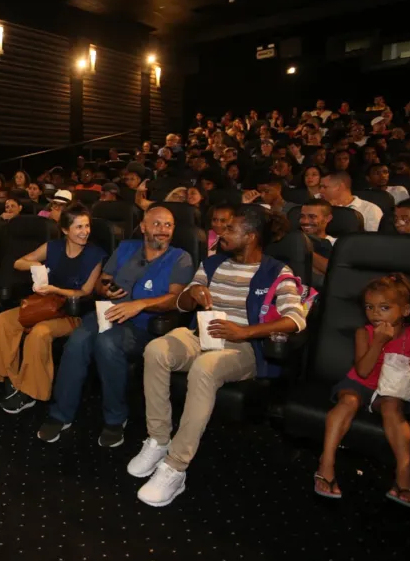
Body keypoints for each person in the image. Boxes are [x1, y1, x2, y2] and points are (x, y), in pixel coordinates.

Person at [129, 205, 308, 507]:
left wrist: (245, 332)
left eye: (230, 229)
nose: (221, 233)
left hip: (243, 348)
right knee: (156, 349)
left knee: (205, 368)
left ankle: (176, 466)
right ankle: (159, 439)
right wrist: (192, 294)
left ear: (250, 236)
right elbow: (184, 304)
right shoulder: (212, 264)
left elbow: (296, 319)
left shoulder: (276, 271)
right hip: (202, 335)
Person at [38, 206, 194, 446]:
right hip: (108, 314)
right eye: (156, 224)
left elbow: (176, 298)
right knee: (77, 341)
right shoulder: (126, 249)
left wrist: (138, 305)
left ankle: (115, 419)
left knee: (107, 343)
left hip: (144, 326)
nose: (163, 230)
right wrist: (107, 288)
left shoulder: (180, 257)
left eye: (168, 225)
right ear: (143, 227)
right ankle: (61, 414)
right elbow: (102, 282)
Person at [314, 274, 410, 507]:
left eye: (384, 307)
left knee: (392, 407)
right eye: (370, 307)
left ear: (405, 310)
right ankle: (326, 462)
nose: (375, 313)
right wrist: (378, 342)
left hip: (390, 390)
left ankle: (403, 474)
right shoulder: (364, 333)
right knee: (347, 401)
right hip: (358, 383)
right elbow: (364, 370)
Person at [0, 203, 106, 413]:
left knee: (39, 333)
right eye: (79, 227)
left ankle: (31, 392)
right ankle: (12, 379)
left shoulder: (95, 254)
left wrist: (56, 289)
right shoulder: (52, 247)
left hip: (71, 313)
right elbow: (19, 263)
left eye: (87, 226)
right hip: (45, 306)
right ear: (65, 230)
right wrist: (38, 267)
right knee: (2, 320)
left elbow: (85, 293)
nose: (85, 232)